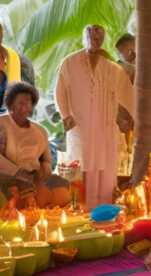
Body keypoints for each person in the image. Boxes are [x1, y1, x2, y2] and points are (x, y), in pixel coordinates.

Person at [57, 24, 133, 207]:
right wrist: (66, 115)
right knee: (80, 165)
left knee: (103, 167)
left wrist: (137, 115)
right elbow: (60, 90)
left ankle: (102, 206)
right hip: (79, 126)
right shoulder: (70, 62)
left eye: (100, 38)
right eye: (94, 37)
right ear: (87, 37)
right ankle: (80, 208)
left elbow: (128, 94)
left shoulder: (111, 68)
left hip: (103, 126)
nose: (97, 41)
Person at [0, 82, 63, 200]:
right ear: (10, 105)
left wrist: (43, 172)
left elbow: (47, 161)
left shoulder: (40, 131)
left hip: (33, 184)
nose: (26, 106)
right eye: (21, 103)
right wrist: (19, 173)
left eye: (29, 102)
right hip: (2, 184)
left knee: (64, 188)